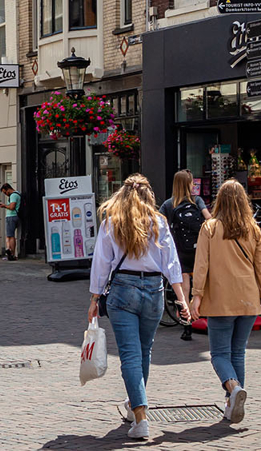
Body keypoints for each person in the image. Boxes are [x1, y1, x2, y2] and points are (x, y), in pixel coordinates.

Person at [87, 173, 192, 440]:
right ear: (150, 196)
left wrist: (95, 298)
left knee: (130, 356)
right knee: (144, 352)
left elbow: (101, 262)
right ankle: (136, 408)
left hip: (123, 289)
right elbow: (172, 264)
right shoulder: (159, 223)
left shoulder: (112, 223)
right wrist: (182, 300)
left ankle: (141, 415)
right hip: (154, 291)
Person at [190, 179, 261, 426]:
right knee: (238, 352)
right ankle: (231, 404)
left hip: (220, 299)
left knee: (218, 354)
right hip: (248, 298)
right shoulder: (253, 228)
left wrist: (196, 295)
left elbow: (201, 265)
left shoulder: (210, 228)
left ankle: (233, 388)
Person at [159, 169, 211, 341]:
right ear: (189, 184)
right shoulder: (197, 201)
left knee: (185, 289)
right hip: (198, 251)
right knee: (201, 287)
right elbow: (209, 220)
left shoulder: (169, 204)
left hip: (180, 252)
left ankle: (186, 326)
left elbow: (158, 225)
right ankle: (205, 320)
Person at [0, 183, 21, 261]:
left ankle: (11, 254)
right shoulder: (18, 194)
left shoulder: (13, 196)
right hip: (16, 216)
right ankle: (11, 252)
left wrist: (4, 206)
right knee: (10, 235)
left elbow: (12, 207)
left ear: (8, 189)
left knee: (10, 236)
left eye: (5, 192)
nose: (5, 194)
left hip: (11, 216)